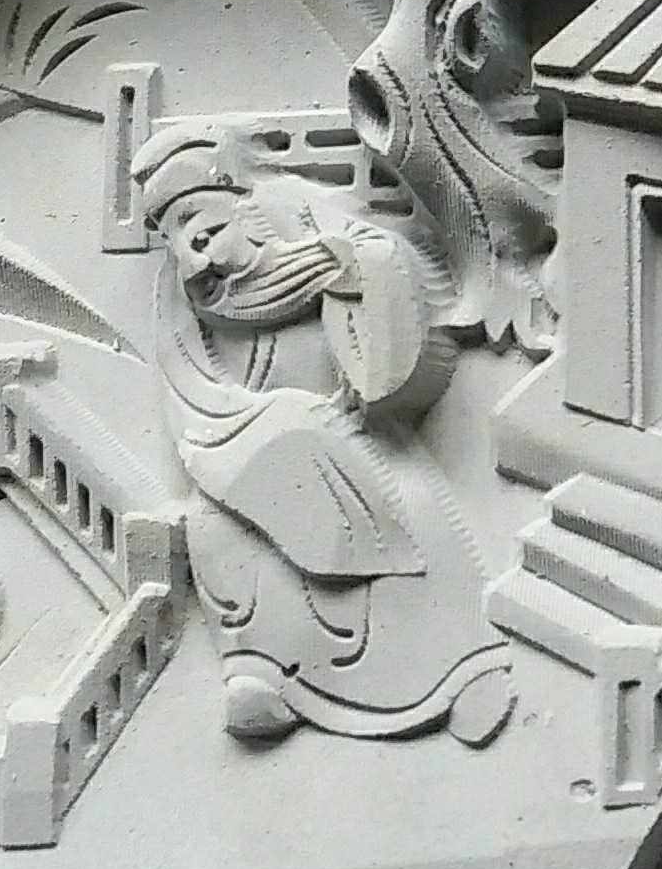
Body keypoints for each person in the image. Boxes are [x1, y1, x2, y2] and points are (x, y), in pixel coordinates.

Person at [133, 132, 512, 746]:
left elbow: (379, 257)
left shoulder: (298, 212)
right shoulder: (177, 291)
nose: (196, 258)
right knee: (217, 529)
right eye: (175, 238)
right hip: (245, 438)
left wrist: (344, 270)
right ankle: (264, 678)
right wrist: (253, 421)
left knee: (406, 504)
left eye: (201, 228)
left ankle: (459, 672)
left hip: (348, 426)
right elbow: (183, 371)